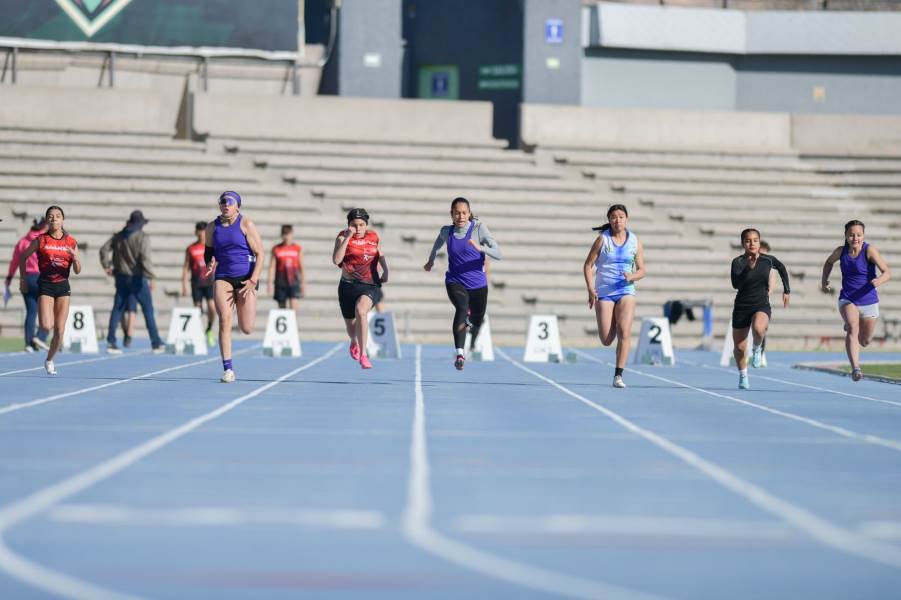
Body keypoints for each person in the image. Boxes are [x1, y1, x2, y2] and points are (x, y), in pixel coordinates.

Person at [424, 197, 502, 370]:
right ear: (451, 214)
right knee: (461, 307)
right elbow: (437, 244)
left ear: (469, 213)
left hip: (478, 285)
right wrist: (430, 261)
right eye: (457, 213)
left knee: (477, 319)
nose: (461, 216)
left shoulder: (479, 228)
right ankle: (460, 354)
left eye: (464, 212)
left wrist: (481, 248)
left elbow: (499, 253)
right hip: (455, 281)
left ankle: (472, 341)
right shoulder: (447, 231)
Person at [582, 204, 645, 388]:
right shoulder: (602, 240)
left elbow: (642, 270)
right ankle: (616, 321)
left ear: (627, 219)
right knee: (607, 339)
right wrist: (590, 288)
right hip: (605, 292)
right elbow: (587, 265)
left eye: (621, 216)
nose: (618, 220)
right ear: (609, 220)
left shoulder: (635, 241)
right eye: (614, 217)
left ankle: (618, 375)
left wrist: (632, 276)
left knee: (625, 331)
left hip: (626, 290)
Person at [204, 191, 264, 383]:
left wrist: (254, 279)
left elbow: (261, 253)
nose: (225, 206)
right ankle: (228, 368)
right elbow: (208, 252)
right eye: (222, 203)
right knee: (225, 320)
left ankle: (246, 302)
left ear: (237, 206)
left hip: (246, 278)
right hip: (223, 277)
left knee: (247, 328)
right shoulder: (212, 227)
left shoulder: (246, 224)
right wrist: (210, 263)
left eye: (229, 203)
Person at [821, 220, 891, 381]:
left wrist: (878, 281)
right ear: (845, 236)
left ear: (863, 236)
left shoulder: (869, 250)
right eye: (851, 235)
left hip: (869, 301)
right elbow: (829, 262)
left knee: (865, 341)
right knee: (853, 328)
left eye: (859, 235)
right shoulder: (840, 251)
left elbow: (887, 272)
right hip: (848, 298)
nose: (855, 238)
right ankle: (856, 368)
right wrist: (824, 280)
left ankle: (852, 325)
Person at [17, 206, 81, 374]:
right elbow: (23, 256)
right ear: (46, 220)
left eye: (57, 216)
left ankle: (49, 359)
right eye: (50, 216)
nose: (54, 219)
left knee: (60, 331)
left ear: (62, 220)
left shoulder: (71, 242)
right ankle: (41, 341)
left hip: (63, 286)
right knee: (46, 324)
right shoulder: (40, 240)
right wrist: (23, 279)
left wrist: (75, 258)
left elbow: (78, 270)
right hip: (45, 284)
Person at [731, 228, 790, 390]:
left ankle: (757, 349)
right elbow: (736, 284)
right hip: (742, 306)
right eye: (748, 240)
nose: (752, 243)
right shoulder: (738, 262)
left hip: (761, 304)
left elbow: (782, 268)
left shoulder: (768, 260)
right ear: (743, 243)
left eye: (755, 240)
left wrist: (787, 290)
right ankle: (743, 375)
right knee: (739, 348)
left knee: (758, 328)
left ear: (759, 241)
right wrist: (748, 268)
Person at [100, 210, 165, 354]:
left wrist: (106, 266)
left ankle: (111, 341)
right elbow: (145, 259)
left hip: (121, 277)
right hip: (138, 278)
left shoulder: (119, 235)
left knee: (117, 309)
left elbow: (104, 249)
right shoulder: (142, 237)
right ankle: (156, 342)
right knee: (148, 310)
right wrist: (151, 276)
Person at [333, 208, 388, 370]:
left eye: (361, 225)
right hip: (347, 287)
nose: (358, 229)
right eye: (354, 225)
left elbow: (379, 253)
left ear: (366, 225)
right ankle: (354, 341)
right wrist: (348, 237)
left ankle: (364, 354)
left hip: (370, 284)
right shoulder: (342, 237)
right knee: (351, 327)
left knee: (361, 310)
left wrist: (385, 269)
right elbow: (336, 260)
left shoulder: (373, 237)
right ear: (348, 225)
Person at [5, 216, 50, 352]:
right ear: (43, 226)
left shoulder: (22, 242)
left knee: (31, 312)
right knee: (48, 310)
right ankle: (40, 337)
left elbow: (14, 262)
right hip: (40, 278)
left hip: (25, 279)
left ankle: (28, 343)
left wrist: (9, 278)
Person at [182, 221, 217, 347]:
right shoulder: (191, 248)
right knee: (197, 310)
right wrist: (184, 285)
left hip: (210, 282)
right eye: (199, 230)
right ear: (196, 232)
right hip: (196, 283)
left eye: (204, 230)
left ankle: (209, 329)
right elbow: (186, 267)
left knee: (212, 308)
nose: (201, 233)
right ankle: (198, 333)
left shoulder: (212, 247)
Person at [267, 224, 306, 312]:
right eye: (284, 234)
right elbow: (272, 267)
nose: (286, 236)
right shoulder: (276, 249)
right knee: (282, 308)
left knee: (294, 305)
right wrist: (269, 283)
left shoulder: (297, 248)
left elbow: (301, 267)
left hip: (294, 282)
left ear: (292, 234)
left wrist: (303, 283)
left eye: (288, 234)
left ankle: (293, 324)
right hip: (280, 282)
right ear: (281, 235)